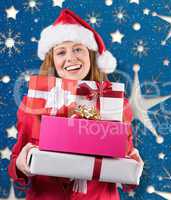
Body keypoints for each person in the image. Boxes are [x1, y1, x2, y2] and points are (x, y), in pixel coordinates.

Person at [8, 9, 143, 200]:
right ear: (53, 61)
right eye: (61, 52)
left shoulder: (116, 104)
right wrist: (20, 165)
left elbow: (125, 170)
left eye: (78, 49)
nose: (71, 58)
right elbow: (15, 164)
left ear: (90, 56)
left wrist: (133, 165)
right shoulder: (33, 103)